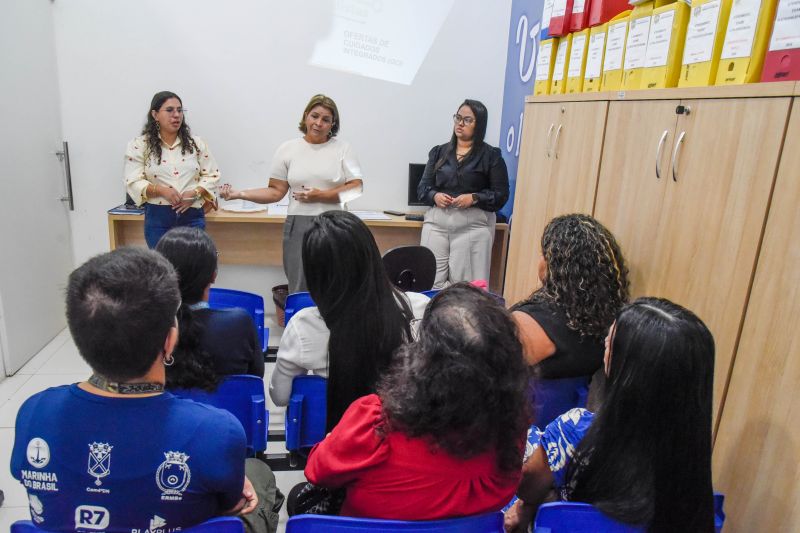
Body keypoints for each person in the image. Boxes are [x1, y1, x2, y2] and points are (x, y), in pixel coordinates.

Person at [11, 248, 280, 533]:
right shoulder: (217, 431)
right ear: (170, 339)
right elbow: (229, 505)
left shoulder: (34, 411)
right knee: (258, 473)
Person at [301, 283, 531, 519]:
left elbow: (317, 471)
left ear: (425, 358)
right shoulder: (510, 431)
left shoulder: (377, 423)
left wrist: (336, 442)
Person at [504, 297, 716, 533]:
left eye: (611, 344)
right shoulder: (691, 467)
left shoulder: (574, 430)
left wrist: (526, 506)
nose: (604, 342)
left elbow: (526, 487)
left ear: (630, 373)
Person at [269, 210, 428, 432]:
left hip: (334, 447)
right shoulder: (420, 310)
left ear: (315, 274)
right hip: (405, 445)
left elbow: (280, 396)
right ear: (372, 256)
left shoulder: (303, 326)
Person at [220, 94, 363, 293]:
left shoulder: (343, 148)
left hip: (335, 223)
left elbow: (356, 188)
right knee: (299, 285)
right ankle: (300, 322)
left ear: (333, 124)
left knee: (335, 284)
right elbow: (275, 192)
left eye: (326, 119)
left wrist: (320, 196)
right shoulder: (287, 149)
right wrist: (240, 194)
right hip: (299, 224)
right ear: (306, 117)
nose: (318, 123)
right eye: (315, 116)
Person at [511, 214, 629, 380]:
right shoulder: (612, 319)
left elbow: (488, 372)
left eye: (542, 254)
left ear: (555, 265)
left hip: (530, 404)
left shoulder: (532, 322)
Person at [155, 227, 264, 391]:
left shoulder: (147, 327)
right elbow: (255, 377)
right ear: (213, 275)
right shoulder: (238, 323)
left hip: (164, 416)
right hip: (231, 414)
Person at [417, 99, 509, 288]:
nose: (460, 123)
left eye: (467, 120)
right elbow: (422, 189)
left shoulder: (491, 156)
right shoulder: (438, 152)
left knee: (467, 290)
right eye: (458, 118)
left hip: (471, 227)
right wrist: (435, 196)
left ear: (479, 124)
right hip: (437, 225)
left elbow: (501, 195)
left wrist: (474, 198)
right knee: (429, 283)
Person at [124, 91, 221, 248]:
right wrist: (161, 190)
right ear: (155, 114)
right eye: (169, 110)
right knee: (163, 268)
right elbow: (133, 180)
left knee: (193, 267)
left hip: (192, 215)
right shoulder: (139, 145)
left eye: (179, 110)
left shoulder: (196, 143)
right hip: (158, 217)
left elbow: (212, 175)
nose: (176, 115)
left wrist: (195, 193)